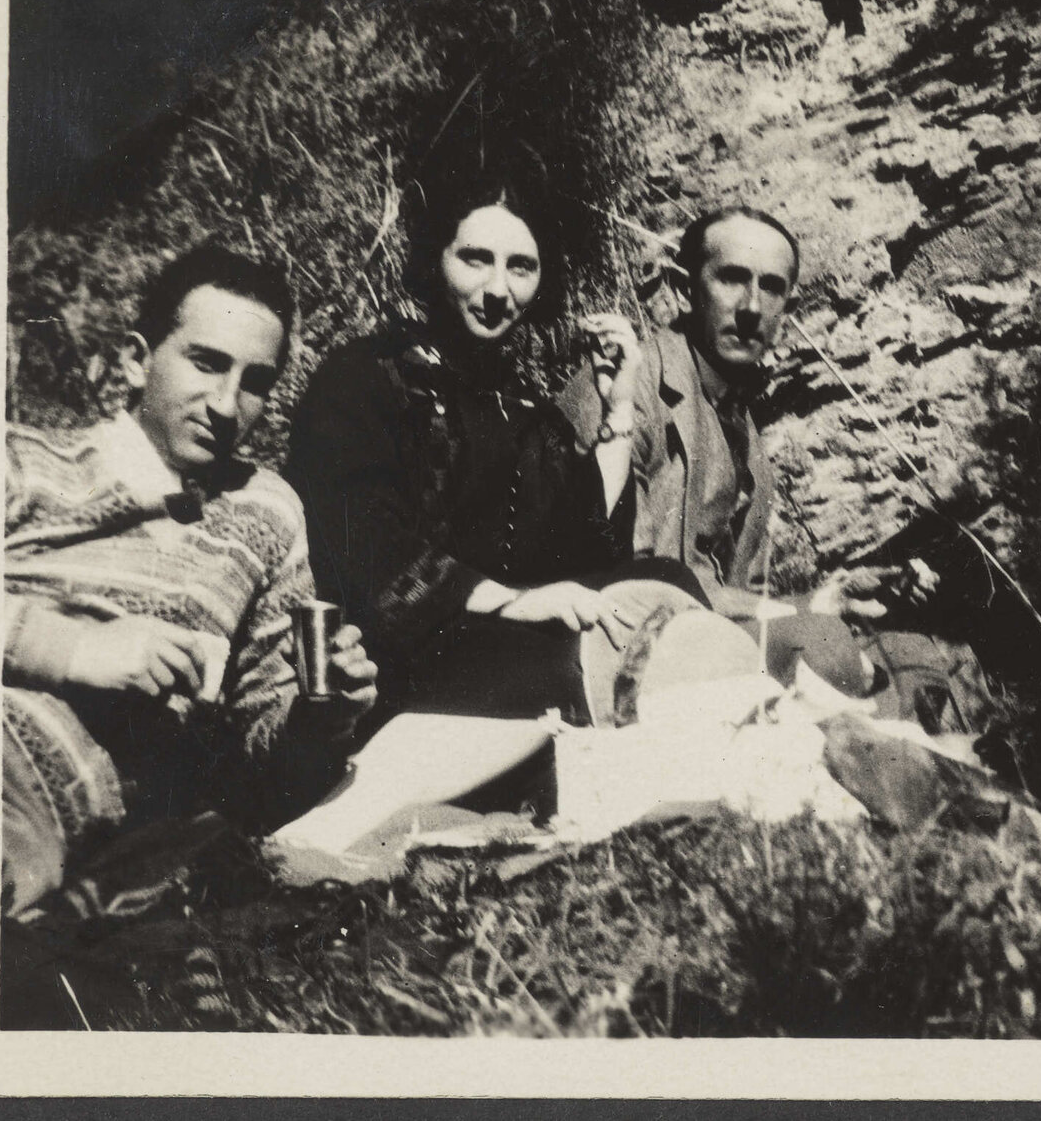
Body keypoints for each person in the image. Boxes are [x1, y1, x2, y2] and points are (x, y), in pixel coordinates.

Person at [284, 163, 713, 765]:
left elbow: (586, 548)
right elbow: (362, 547)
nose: (497, 290)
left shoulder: (519, 402)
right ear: (435, 261)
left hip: (502, 636)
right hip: (397, 659)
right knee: (576, 664)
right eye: (475, 259)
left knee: (668, 583)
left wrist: (617, 407)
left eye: (521, 267)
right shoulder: (363, 378)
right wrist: (508, 602)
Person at [2, 247, 377, 918]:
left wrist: (318, 718)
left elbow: (256, 747)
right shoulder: (20, 463)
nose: (228, 404)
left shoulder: (266, 513)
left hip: (53, 827)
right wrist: (74, 648)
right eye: (205, 363)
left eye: (256, 380)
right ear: (134, 359)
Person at [559, 206, 892, 701]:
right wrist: (802, 617)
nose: (752, 306)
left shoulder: (746, 433)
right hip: (617, 652)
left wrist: (821, 599)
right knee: (826, 649)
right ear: (682, 288)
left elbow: (746, 600)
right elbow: (624, 575)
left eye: (772, 287)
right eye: (732, 279)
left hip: (701, 646)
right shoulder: (624, 391)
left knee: (909, 653)